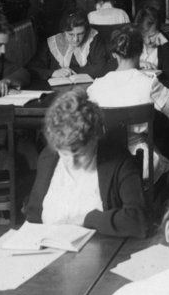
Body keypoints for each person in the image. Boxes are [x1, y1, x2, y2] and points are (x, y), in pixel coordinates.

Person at [25, 89, 148, 238]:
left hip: (102, 253)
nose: (71, 162)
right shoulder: (48, 158)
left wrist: (87, 219)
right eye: (63, 153)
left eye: (79, 154)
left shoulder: (117, 160)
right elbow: (33, 215)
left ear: (94, 138)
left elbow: (138, 220)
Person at [87, 26, 169, 179]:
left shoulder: (96, 86)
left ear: (114, 54)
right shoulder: (148, 84)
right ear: (140, 51)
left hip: (103, 160)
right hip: (140, 160)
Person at [27, 8, 112, 82]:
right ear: (63, 31)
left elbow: (101, 68)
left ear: (86, 31)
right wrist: (52, 73)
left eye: (80, 34)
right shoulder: (52, 43)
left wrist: (71, 71)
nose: (76, 39)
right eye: (71, 34)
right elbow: (31, 68)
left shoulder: (93, 39)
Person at [133, 4, 169, 81]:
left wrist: (166, 45)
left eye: (152, 35)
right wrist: (137, 63)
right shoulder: (133, 42)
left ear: (159, 30)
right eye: (143, 36)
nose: (148, 41)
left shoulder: (168, 45)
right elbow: (116, 67)